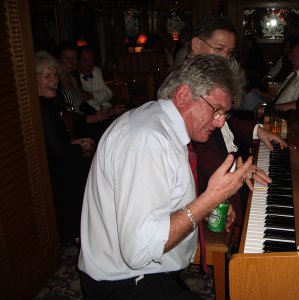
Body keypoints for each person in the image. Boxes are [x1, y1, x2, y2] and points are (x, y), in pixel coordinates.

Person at [78, 55, 264, 299]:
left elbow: (160, 200)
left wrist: (205, 208)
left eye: (224, 114)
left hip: (151, 273)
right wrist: (210, 198)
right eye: (216, 110)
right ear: (183, 95)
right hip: (123, 283)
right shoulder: (148, 142)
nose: (220, 122)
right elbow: (139, 250)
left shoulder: (161, 123)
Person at [189, 15, 287, 229]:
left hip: (229, 158)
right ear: (196, 45)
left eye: (229, 53)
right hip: (204, 181)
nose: (225, 59)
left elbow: (228, 120)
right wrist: (237, 170)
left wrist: (258, 130)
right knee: (264, 215)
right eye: (219, 49)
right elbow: (197, 149)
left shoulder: (212, 76)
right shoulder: (186, 85)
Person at [35, 51, 95, 244]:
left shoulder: (46, 103)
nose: (54, 80)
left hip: (55, 162)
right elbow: (60, 154)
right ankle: (77, 232)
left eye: (55, 75)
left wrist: (75, 143)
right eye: (46, 76)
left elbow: (54, 144)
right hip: (50, 173)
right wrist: (80, 148)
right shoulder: (42, 107)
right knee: (90, 169)